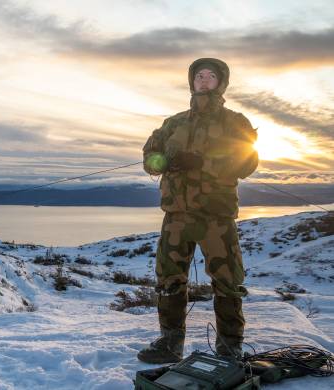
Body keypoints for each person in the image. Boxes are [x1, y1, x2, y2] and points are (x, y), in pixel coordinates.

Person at [138, 58, 259, 364]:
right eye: (199, 76)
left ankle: (230, 346)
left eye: (211, 76)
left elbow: (247, 163)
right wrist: (163, 163)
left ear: (221, 83)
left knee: (228, 280)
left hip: (216, 217)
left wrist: (202, 162)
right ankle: (170, 343)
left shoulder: (235, 122)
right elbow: (149, 156)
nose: (204, 81)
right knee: (168, 279)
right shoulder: (173, 123)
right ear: (191, 81)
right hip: (177, 215)